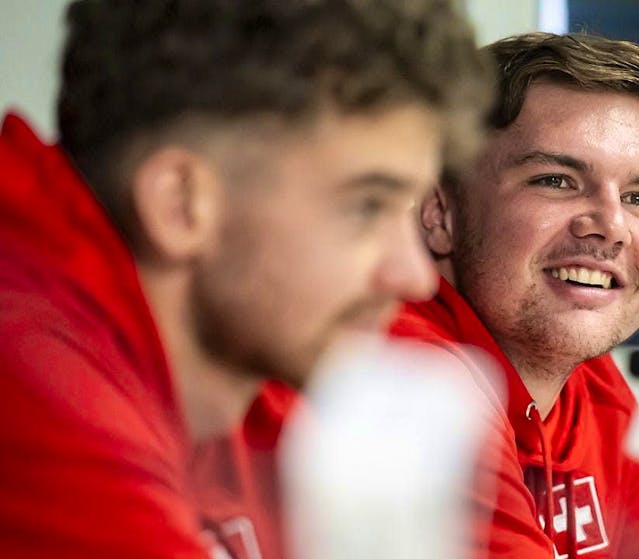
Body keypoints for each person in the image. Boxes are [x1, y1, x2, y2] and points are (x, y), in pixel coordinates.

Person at [0, 1, 490, 557]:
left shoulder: (250, 364)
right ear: (182, 204)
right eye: (367, 207)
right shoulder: (30, 382)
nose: (416, 278)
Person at [390, 32, 639, 559]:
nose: (611, 226)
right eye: (556, 180)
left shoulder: (593, 385)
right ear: (440, 213)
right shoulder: (406, 380)